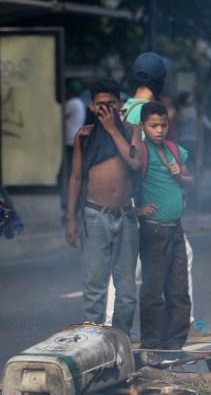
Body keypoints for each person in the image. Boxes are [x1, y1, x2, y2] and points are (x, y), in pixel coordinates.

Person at [108, 52, 211, 343]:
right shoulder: (145, 111)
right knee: (143, 268)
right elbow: (139, 161)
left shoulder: (127, 107)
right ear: (160, 80)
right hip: (148, 203)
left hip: (132, 198)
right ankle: (178, 327)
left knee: (128, 263)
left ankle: (112, 326)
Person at [65, 78, 142, 334]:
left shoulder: (131, 130)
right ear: (91, 106)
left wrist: (112, 129)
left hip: (126, 216)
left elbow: (135, 162)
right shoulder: (84, 136)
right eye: (100, 106)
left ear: (119, 104)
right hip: (95, 215)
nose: (105, 110)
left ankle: (120, 341)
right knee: (95, 288)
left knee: (127, 292)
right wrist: (71, 219)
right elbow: (75, 177)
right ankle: (94, 344)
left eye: (111, 104)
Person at [136, 101, 194, 349]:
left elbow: (191, 180)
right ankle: (152, 343)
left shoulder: (174, 150)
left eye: (163, 125)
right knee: (153, 291)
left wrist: (179, 174)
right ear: (143, 126)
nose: (159, 130)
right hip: (153, 228)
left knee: (179, 289)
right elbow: (129, 181)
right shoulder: (140, 150)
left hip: (175, 227)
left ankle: (175, 343)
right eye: (153, 126)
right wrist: (137, 209)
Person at [60, 79, 86, 216]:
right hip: (75, 143)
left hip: (71, 143)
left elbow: (58, 113)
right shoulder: (79, 103)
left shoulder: (71, 103)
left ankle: (69, 207)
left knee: (66, 176)